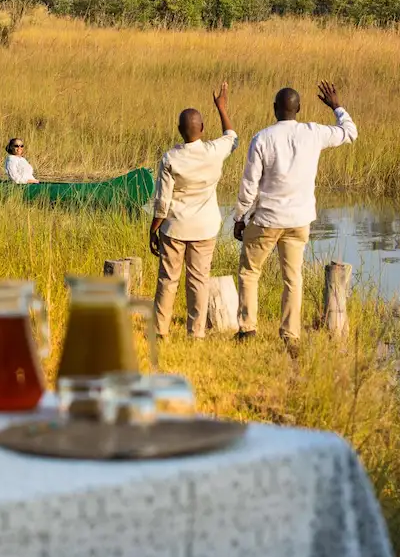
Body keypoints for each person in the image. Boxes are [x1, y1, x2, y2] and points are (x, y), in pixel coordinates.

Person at [232, 81, 357, 357]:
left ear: (275, 109)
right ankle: (290, 335)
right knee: (293, 278)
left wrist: (240, 216)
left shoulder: (262, 138)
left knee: (250, 272)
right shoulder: (313, 133)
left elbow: (249, 185)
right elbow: (350, 133)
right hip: (299, 220)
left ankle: (248, 329)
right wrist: (336, 106)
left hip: (267, 219)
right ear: (298, 109)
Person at [150, 82, 238, 340]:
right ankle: (195, 334)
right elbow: (232, 137)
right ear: (202, 129)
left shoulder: (170, 158)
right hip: (205, 228)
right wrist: (222, 108)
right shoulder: (213, 151)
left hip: (174, 228)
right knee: (198, 281)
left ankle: (160, 332)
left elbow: (162, 202)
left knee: (168, 280)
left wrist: (153, 229)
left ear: (179, 130)